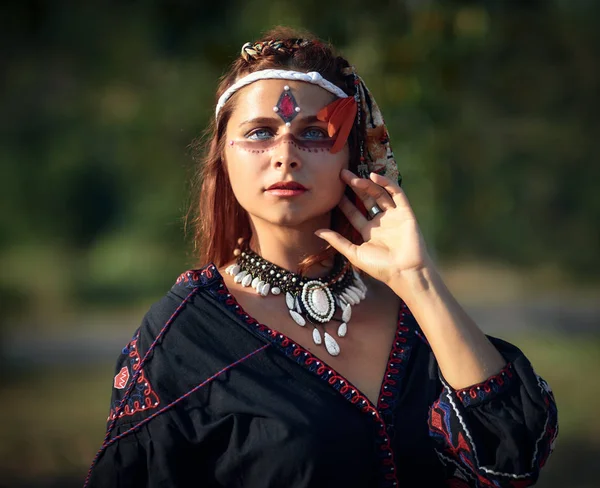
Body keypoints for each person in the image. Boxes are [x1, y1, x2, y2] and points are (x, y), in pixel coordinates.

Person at [84, 27, 558, 488]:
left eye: (314, 133)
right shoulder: (184, 336)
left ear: (353, 157)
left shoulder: (414, 313)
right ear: (223, 159)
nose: (286, 154)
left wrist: (418, 278)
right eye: (260, 133)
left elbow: (514, 457)